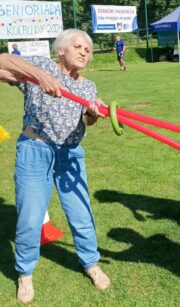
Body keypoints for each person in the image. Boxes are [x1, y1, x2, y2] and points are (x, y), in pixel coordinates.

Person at [0, 29, 111, 304]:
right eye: (78, 46)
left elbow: (86, 122)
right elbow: (2, 60)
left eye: (88, 48)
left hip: (70, 154)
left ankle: (91, 263)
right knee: (30, 216)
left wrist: (93, 113)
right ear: (61, 50)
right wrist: (41, 77)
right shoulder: (41, 65)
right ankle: (25, 274)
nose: (85, 51)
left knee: (81, 214)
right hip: (35, 150)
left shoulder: (87, 87)